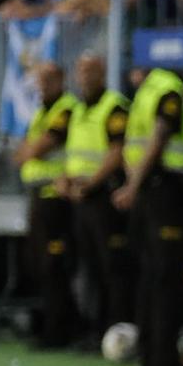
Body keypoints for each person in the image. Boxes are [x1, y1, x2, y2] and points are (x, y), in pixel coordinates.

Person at [114, 66, 183, 366]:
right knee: (166, 281)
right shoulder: (169, 88)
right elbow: (158, 139)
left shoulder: (144, 94)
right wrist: (134, 186)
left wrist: (131, 184)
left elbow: (130, 146)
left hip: (148, 191)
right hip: (167, 189)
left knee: (150, 279)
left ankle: (150, 363)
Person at [62, 52, 133, 342]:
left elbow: (117, 151)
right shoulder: (78, 109)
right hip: (80, 198)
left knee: (111, 266)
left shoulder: (114, 107)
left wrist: (90, 182)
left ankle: (116, 327)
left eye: (90, 71)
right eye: (80, 71)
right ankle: (92, 328)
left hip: (103, 196)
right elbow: (74, 152)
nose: (84, 77)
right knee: (87, 265)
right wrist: (67, 180)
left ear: (102, 73)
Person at [11, 61, 79, 348]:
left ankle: (59, 330)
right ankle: (51, 326)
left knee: (54, 265)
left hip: (56, 198)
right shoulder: (43, 111)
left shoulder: (66, 108)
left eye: (48, 79)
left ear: (61, 79)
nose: (42, 85)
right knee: (38, 264)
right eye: (40, 80)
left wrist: (31, 151)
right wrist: (29, 151)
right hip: (38, 196)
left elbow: (37, 148)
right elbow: (22, 153)